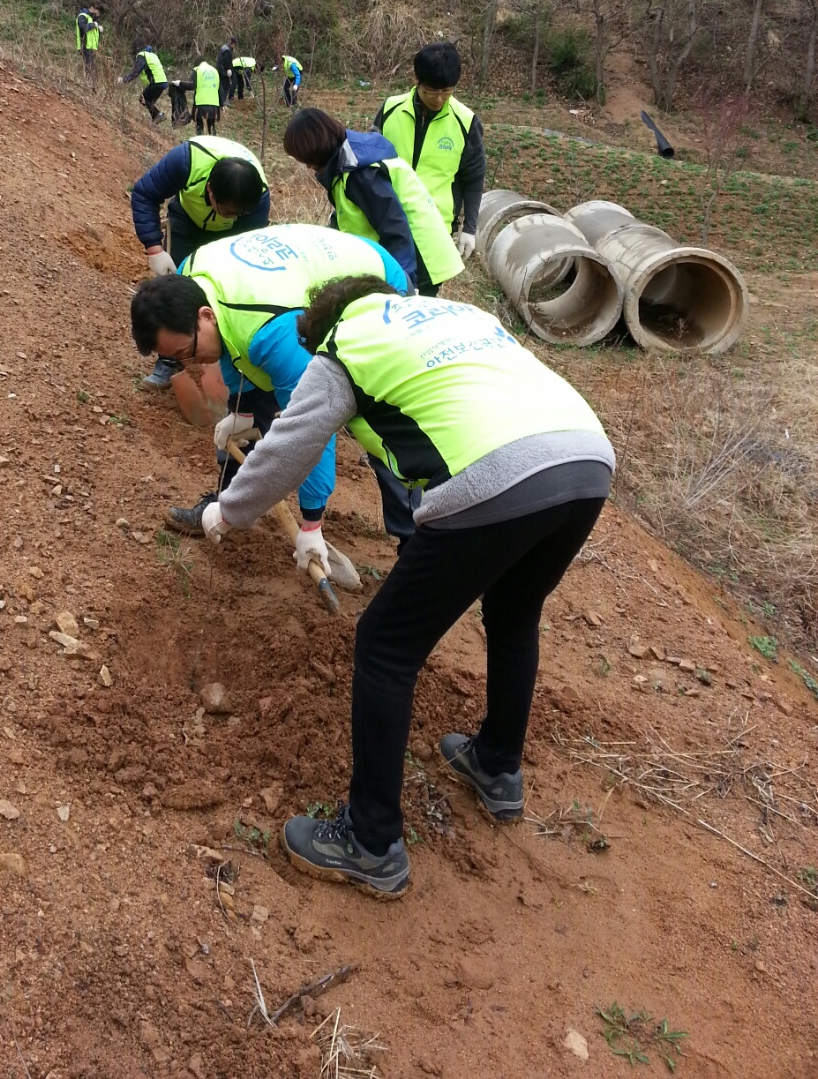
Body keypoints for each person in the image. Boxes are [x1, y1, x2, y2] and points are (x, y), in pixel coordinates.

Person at [202, 274, 614, 898]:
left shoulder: (345, 345)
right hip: (585, 459)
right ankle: (497, 769)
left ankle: (370, 842)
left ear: (321, 332)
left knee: (385, 647)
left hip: (501, 472)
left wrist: (227, 511)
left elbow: (289, 444)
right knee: (514, 610)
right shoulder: (448, 316)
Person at [130, 225, 410, 536]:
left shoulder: (271, 333)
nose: (188, 364)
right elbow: (229, 342)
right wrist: (243, 411)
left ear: (204, 315)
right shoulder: (190, 280)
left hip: (380, 290)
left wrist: (311, 522)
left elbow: (315, 422)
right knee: (257, 391)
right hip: (304, 275)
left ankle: (411, 538)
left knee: (376, 423)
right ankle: (228, 505)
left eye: (187, 352)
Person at [131, 137, 271, 388]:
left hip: (231, 237)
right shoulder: (186, 161)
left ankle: (227, 365)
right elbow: (144, 193)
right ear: (210, 191)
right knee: (175, 291)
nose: (231, 216)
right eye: (227, 210)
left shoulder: (257, 195)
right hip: (188, 218)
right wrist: (154, 249)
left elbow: (251, 245)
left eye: (237, 213)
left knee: (225, 291)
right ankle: (168, 361)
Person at [283, 107, 463, 296]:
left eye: (307, 160)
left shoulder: (361, 173)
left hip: (419, 256)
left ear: (317, 149)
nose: (308, 166)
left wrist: (404, 286)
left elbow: (395, 228)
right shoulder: (346, 162)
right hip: (407, 250)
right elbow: (349, 213)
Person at [374, 42, 486, 274]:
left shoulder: (465, 122)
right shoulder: (390, 109)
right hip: (385, 224)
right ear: (417, 81)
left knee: (423, 301)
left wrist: (469, 228)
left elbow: (473, 178)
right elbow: (369, 161)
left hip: (434, 231)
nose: (438, 99)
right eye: (431, 91)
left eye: (446, 91)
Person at [117, 43, 169, 124]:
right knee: (148, 101)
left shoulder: (141, 55)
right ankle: (156, 120)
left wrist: (124, 80)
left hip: (156, 82)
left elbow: (136, 71)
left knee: (144, 99)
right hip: (162, 82)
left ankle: (159, 115)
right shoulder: (151, 54)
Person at [190, 55, 222, 135]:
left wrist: (180, 84)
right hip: (214, 103)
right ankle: (213, 141)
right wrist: (221, 104)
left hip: (201, 103)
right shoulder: (215, 71)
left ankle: (200, 142)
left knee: (199, 126)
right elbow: (219, 89)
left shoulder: (197, 70)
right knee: (211, 126)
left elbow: (193, 86)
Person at [75, 6, 102, 78]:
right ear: (93, 8)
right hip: (85, 45)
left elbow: (93, 35)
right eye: (98, 11)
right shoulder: (82, 16)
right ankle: (88, 84)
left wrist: (98, 30)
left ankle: (91, 84)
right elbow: (83, 28)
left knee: (92, 67)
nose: (98, 14)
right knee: (89, 67)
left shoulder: (91, 18)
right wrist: (93, 25)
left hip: (91, 46)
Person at [216, 38, 235, 108]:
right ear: (233, 43)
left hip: (219, 69)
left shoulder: (224, 47)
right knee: (226, 86)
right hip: (222, 71)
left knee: (220, 85)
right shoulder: (227, 50)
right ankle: (223, 101)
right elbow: (225, 61)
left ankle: (220, 100)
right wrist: (228, 69)